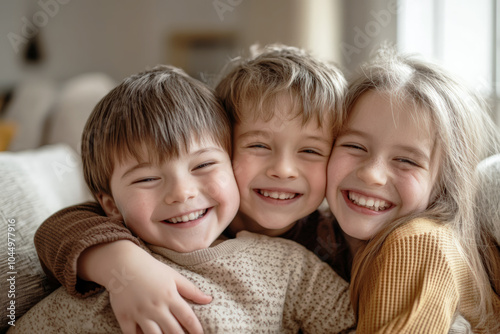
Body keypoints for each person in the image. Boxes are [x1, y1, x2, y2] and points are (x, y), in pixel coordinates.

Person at [11, 64, 355, 333]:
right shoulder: (119, 236)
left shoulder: (321, 249)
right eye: (147, 178)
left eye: (203, 165)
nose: (182, 193)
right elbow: (56, 230)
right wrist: (126, 268)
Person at [325, 51, 500, 333]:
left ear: (444, 185)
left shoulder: (418, 242)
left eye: (406, 160)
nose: (372, 173)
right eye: (354, 146)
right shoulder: (325, 235)